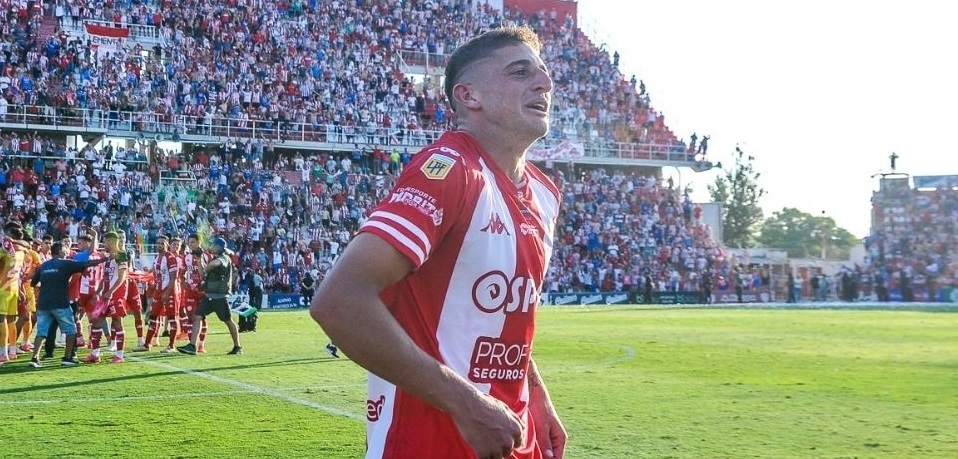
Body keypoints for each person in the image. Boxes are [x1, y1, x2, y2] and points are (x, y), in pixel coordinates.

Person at [310, 25, 566, 459]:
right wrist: (468, 405)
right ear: (469, 96)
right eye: (520, 72)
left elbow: (500, 318)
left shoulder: (544, 192)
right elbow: (339, 301)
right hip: (429, 444)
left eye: (543, 72)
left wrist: (536, 393)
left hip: (510, 434)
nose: (544, 83)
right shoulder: (450, 171)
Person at [27, 242, 113, 367]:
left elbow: (33, 283)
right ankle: (67, 358)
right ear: (60, 252)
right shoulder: (65, 263)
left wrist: (48, 284)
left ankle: (34, 359)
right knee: (71, 330)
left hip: (43, 303)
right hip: (60, 303)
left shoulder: (43, 266)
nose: (67, 251)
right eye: (65, 250)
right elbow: (86, 264)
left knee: (41, 332)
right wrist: (104, 259)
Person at [177, 237, 242, 355]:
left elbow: (214, 264)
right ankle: (192, 346)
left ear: (219, 247)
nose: (211, 247)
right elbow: (202, 274)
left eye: (213, 245)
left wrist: (202, 259)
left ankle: (237, 346)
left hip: (219, 296)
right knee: (197, 316)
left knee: (228, 320)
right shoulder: (216, 258)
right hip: (209, 295)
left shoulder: (223, 258)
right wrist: (198, 259)